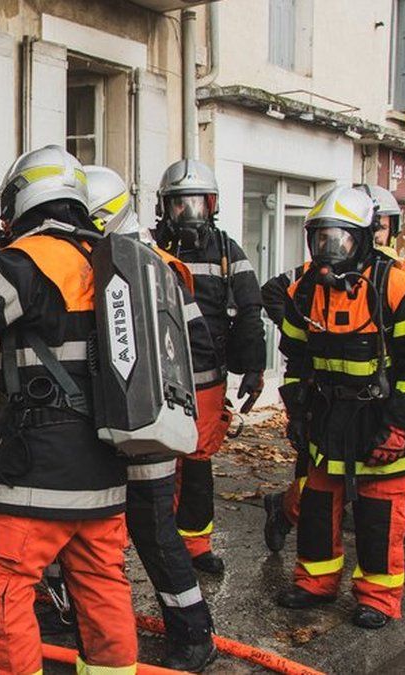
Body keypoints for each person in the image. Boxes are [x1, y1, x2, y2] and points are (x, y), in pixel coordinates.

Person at [0, 145, 137, 675]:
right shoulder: (110, 258)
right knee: (102, 585)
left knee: (4, 583)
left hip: (41, 463)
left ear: (21, 199)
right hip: (106, 464)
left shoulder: (36, 257)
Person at [275, 185, 405, 629]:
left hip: (383, 421)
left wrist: (399, 428)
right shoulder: (304, 292)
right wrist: (297, 414)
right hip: (328, 421)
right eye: (321, 238)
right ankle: (315, 583)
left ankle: (378, 598)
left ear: (362, 239)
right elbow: (295, 360)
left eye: (339, 239)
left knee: (379, 518)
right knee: (318, 508)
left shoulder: (401, 290)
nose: (329, 249)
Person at [84, 165, 219, 670]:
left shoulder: (156, 268)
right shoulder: (94, 263)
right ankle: (65, 611)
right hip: (102, 426)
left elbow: (195, 349)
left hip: (147, 428)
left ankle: (193, 631)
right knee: (81, 528)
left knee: (154, 532)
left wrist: (187, 417)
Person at [155, 159, 266, 574]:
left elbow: (250, 310)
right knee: (155, 460)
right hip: (158, 373)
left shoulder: (226, 251)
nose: (189, 213)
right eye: (180, 204)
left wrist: (253, 368)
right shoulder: (148, 246)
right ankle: (155, 540)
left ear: (212, 205)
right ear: (165, 206)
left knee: (197, 461)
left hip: (206, 377)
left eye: (197, 203)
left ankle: (195, 545)